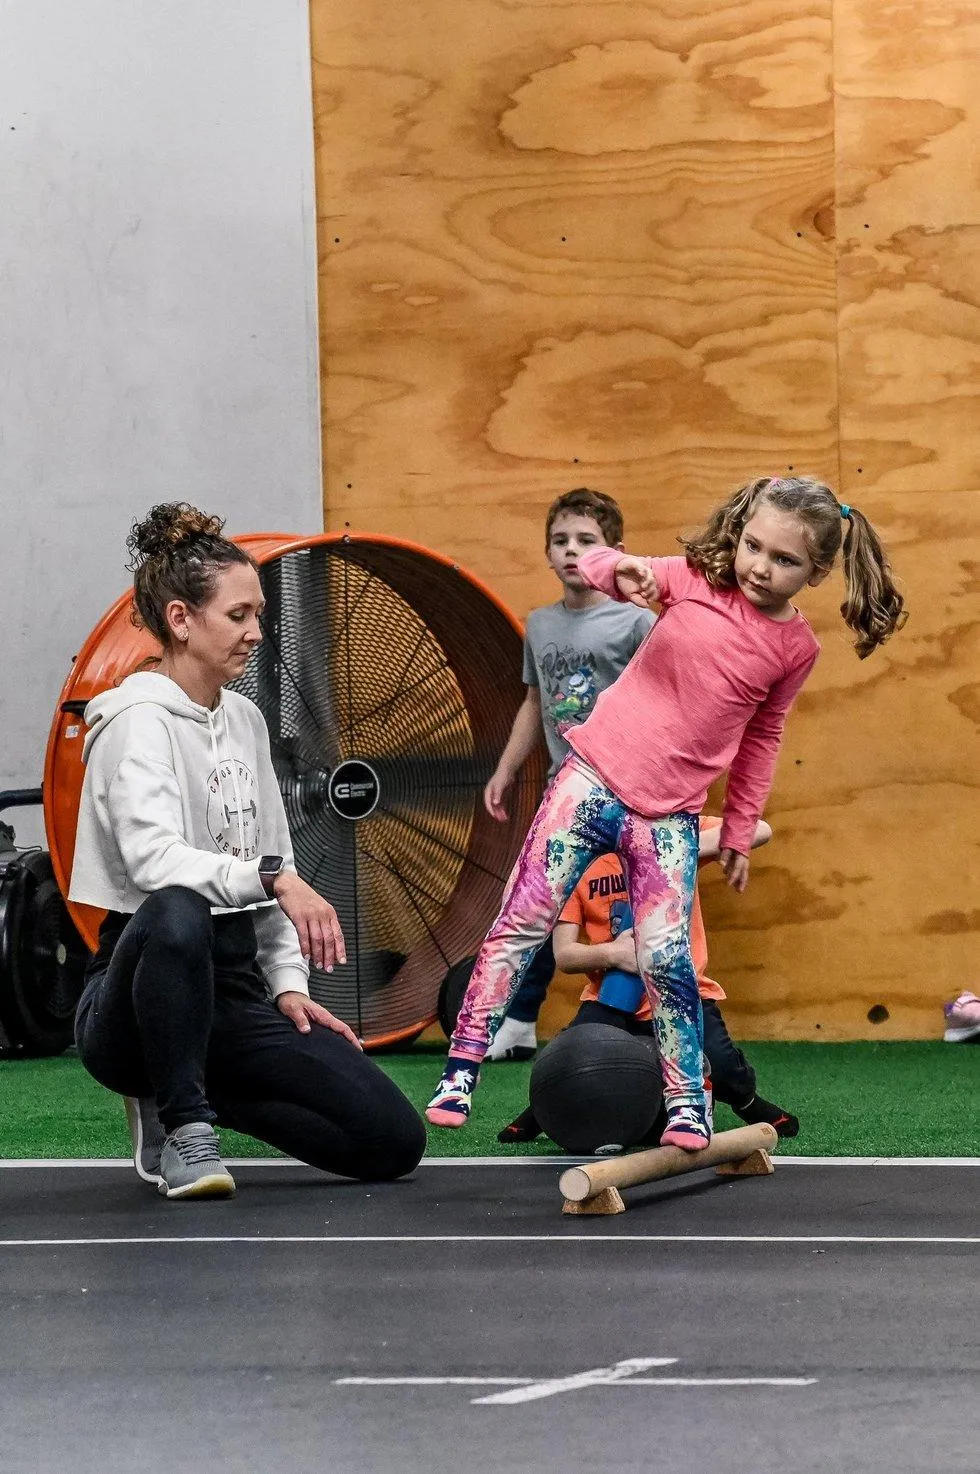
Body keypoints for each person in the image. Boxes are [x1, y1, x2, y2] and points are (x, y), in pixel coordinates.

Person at [426, 474, 906, 1150]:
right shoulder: (692, 580)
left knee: (667, 960)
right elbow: (595, 567)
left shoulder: (794, 649)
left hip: (669, 815)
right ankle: (462, 1067)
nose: (761, 567)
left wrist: (738, 827)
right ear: (738, 537)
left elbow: (764, 737)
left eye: (785, 560)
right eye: (753, 547)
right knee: (520, 921)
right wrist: (618, 565)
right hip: (590, 777)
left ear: (819, 570)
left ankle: (688, 1103)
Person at [70, 503, 426, 1199]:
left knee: (390, 1140)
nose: (256, 633)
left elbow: (274, 858)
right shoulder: (134, 723)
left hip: (230, 995)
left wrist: (290, 987)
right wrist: (273, 880)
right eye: (238, 616)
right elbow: (155, 865)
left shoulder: (244, 719)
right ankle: (185, 1123)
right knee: (177, 909)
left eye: (258, 614)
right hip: (136, 996)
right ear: (180, 619)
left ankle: (186, 1086)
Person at [481, 487, 654, 1061]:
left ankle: (646, 1021)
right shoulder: (540, 624)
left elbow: (666, 702)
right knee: (538, 903)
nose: (572, 551)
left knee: (633, 902)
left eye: (588, 541)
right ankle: (519, 1020)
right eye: (561, 541)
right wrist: (506, 770)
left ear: (615, 552)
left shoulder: (635, 624)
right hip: (565, 790)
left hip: (629, 793)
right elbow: (534, 704)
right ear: (548, 552)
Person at [498, 818, 800, 1145]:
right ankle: (542, 1112)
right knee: (570, 1060)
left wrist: (679, 848)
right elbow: (566, 956)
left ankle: (748, 1103)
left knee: (723, 1067)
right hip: (610, 999)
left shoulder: (672, 835)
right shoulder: (578, 861)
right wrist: (614, 954)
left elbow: (762, 830)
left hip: (682, 992)